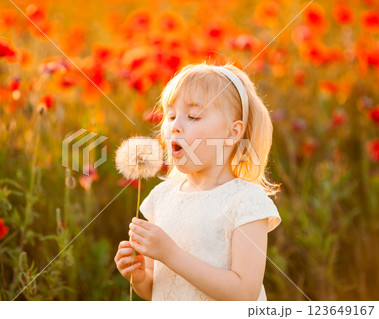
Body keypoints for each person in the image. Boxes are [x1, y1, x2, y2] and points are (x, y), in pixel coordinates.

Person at [114, 61, 282, 301]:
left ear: (232, 133)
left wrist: (170, 254)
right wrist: (139, 277)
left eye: (193, 116)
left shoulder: (246, 201)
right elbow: (157, 289)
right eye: (170, 115)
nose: (175, 126)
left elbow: (245, 293)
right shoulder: (162, 197)